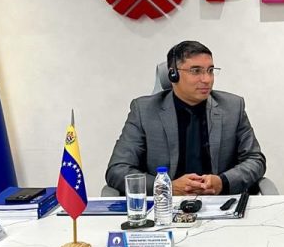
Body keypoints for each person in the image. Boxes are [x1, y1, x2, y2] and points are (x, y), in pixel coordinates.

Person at [106, 41, 266, 196]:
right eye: (196, 71)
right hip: (165, 206)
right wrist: (167, 187)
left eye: (210, 70)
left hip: (220, 203)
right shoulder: (144, 111)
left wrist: (222, 182)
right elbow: (117, 170)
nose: (207, 79)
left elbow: (255, 160)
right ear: (173, 74)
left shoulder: (233, 107)